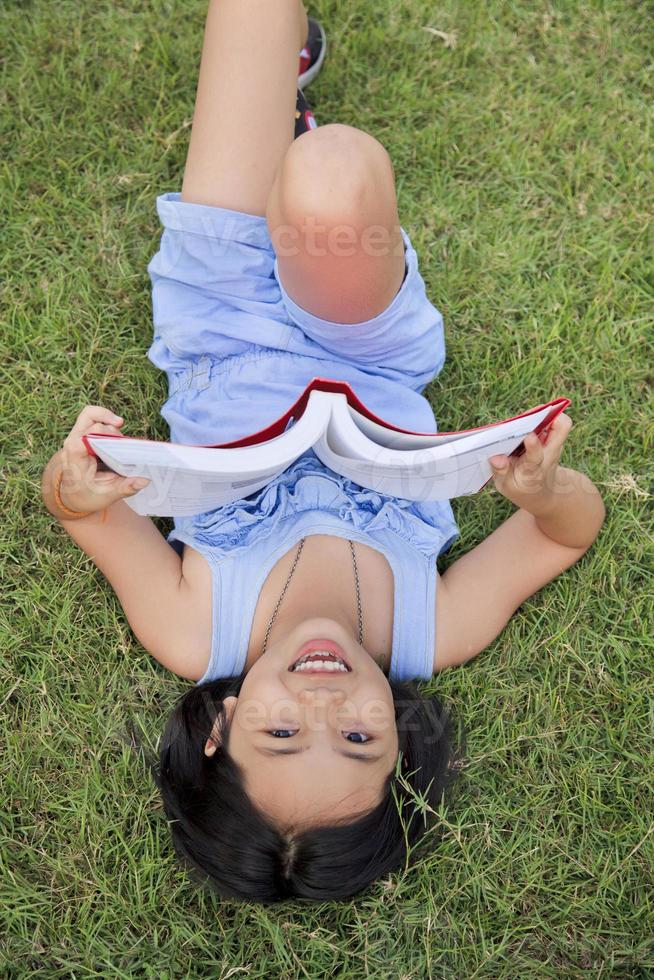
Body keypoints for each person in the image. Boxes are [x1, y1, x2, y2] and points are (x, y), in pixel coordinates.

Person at [41, 1, 605, 903]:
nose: (324, 705)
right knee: (334, 172)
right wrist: (544, 491)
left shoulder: (193, 631)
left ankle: (280, 110)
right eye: (357, 740)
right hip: (361, 346)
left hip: (219, 320)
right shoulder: (431, 628)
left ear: (222, 727)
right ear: (400, 734)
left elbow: (82, 514)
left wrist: (76, 480)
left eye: (279, 736)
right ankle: (296, 160)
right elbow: (569, 535)